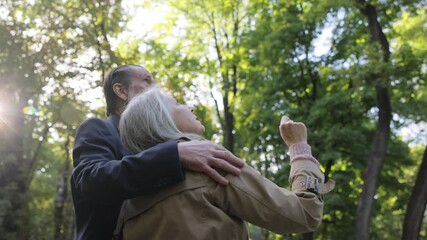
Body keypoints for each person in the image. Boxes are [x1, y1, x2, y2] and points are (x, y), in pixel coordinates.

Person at [115, 87, 335, 239]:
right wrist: (299, 148)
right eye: (178, 103)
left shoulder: (126, 200)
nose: (190, 107)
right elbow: (304, 214)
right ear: (161, 119)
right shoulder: (207, 162)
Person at [70, 65, 245, 240]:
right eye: (146, 80)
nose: (157, 89)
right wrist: (173, 155)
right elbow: (90, 179)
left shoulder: (158, 143)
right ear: (121, 91)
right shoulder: (99, 128)